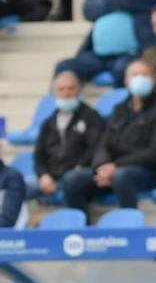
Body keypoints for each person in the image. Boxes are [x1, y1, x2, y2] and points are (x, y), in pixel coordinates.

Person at [61, 60, 156, 213]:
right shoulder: (119, 109)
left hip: (147, 173)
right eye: (135, 75)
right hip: (114, 170)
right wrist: (101, 167)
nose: (140, 78)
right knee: (72, 180)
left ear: (153, 80)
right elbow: (104, 143)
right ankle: (83, 232)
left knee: (122, 176)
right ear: (127, 81)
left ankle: (128, 229)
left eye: (144, 75)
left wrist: (116, 167)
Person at [34, 72, 105, 204]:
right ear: (54, 93)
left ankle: (79, 223)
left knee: (71, 181)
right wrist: (43, 175)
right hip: (51, 176)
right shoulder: (48, 123)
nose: (66, 93)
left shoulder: (91, 117)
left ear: (79, 91)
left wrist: (79, 167)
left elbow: (95, 148)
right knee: (16, 184)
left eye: (71, 88)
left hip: (78, 173)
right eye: (61, 89)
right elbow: (39, 155)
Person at [53, 0, 153, 89]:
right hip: (98, 56)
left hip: (130, 54)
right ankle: (58, 106)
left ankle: (122, 105)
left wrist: (105, 2)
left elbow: (135, 2)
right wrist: (117, 4)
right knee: (64, 66)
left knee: (122, 68)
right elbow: (89, 9)